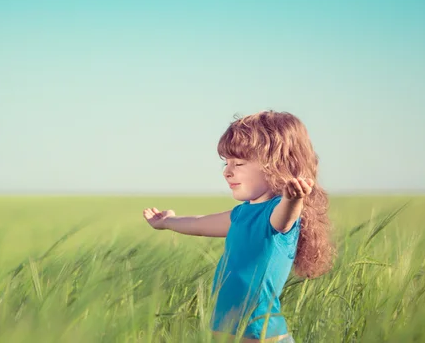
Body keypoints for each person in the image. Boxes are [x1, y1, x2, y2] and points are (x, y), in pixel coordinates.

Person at [143, 110, 334, 342]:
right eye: (226, 162)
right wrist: (167, 222)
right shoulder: (242, 214)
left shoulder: (274, 216)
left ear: (278, 165)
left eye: (239, 163)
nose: (227, 171)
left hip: (261, 336)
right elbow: (200, 223)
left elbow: (285, 218)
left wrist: (293, 198)